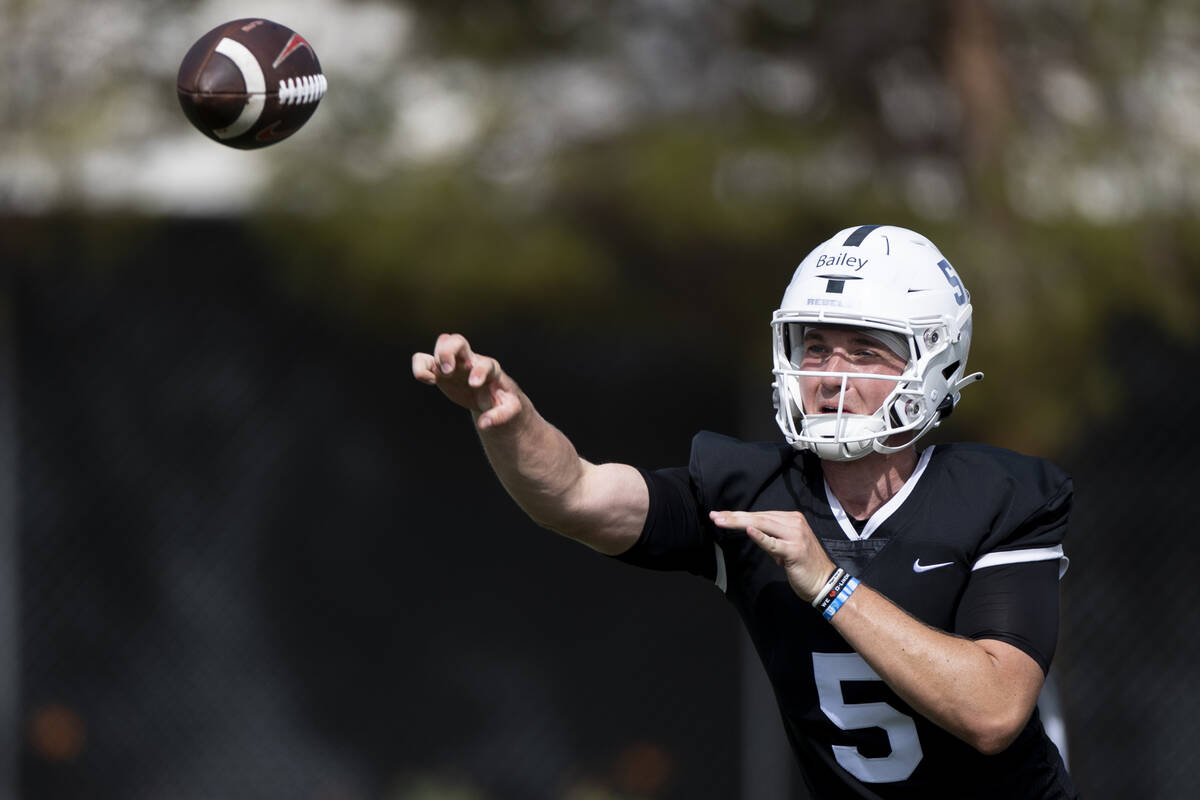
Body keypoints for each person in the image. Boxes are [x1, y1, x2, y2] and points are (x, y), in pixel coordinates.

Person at [412, 224, 1078, 798]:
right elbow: (576, 494)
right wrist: (507, 420)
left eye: (866, 349)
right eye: (815, 345)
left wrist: (830, 585)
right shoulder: (751, 488)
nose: (828, 374)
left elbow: (994, 711)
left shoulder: (1001, 497)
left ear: (936, 359)